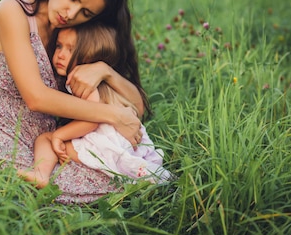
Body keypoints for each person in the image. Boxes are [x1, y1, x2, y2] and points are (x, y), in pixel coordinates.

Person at [0, 0, 149, 204]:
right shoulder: (13, 12)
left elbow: (137, 108)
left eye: (86, 13)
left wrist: (105, 70)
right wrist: (113, 114)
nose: (71, 14)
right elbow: (36, 98)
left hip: (54, 145)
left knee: (126, 176)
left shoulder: (71, 33)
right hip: (7, 143)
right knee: (115, 183)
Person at [18, 24, 174, 188]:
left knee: (45, 139)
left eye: (71, 50)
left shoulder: (80, 81)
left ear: (88, 56)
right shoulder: (102, 82)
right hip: (124, 142)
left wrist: (59, 135)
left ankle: (41, 174)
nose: (61, 55)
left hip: (104, 143)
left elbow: (92, 120)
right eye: (59, 46)